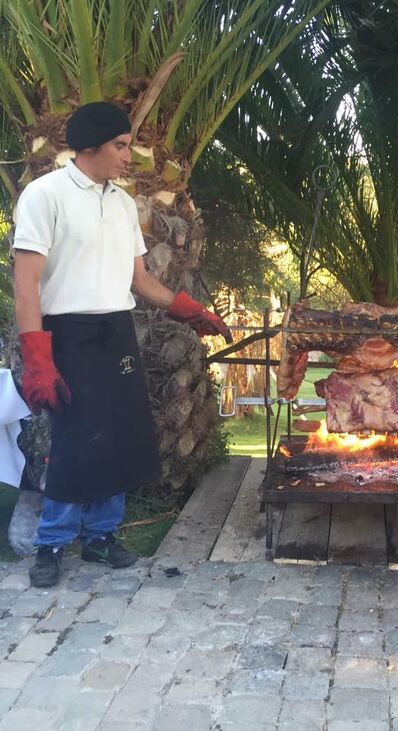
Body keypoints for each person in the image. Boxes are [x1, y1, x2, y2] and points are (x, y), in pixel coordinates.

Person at [12, 101, 232, 588]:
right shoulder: (44, 196)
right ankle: (50, 544)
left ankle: (101, 537)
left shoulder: (122, 202)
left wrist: (190, 311)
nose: (130, 156)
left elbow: (141, 281)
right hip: (66, 331)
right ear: (90, 146)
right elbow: (25, 284)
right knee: (74, 437)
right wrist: (37, 356)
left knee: (120, 432)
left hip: (117, 327)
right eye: (121, 146)